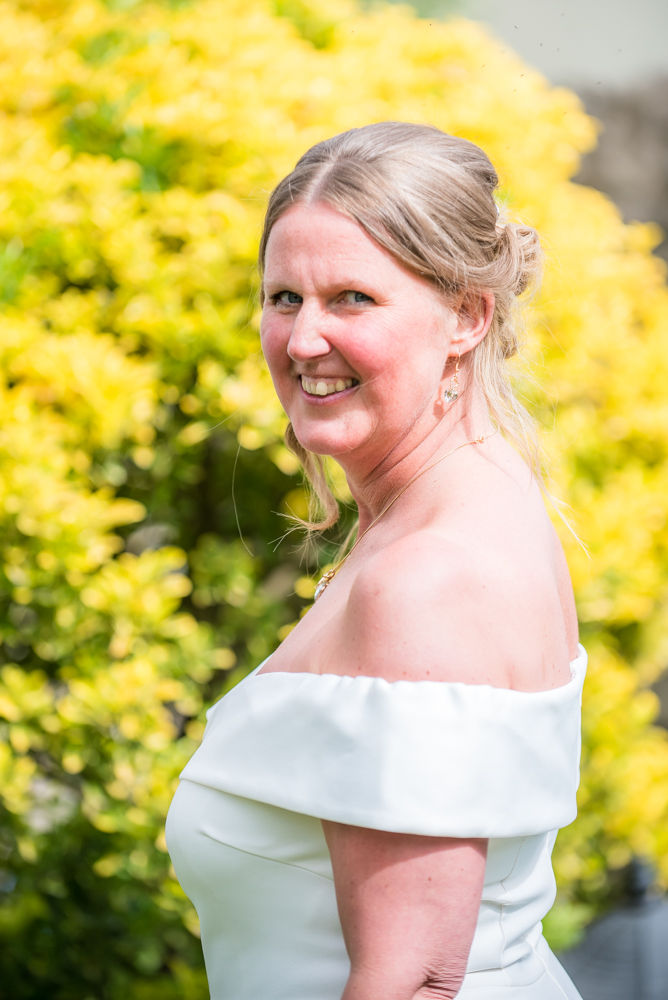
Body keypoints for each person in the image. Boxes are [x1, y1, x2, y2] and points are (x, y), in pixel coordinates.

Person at [166, 121, 586, 1000]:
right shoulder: (476, 490)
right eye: (284, 298)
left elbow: (417, 979)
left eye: (352, 298)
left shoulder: (425, 581)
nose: (304, 339)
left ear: (468, 315)